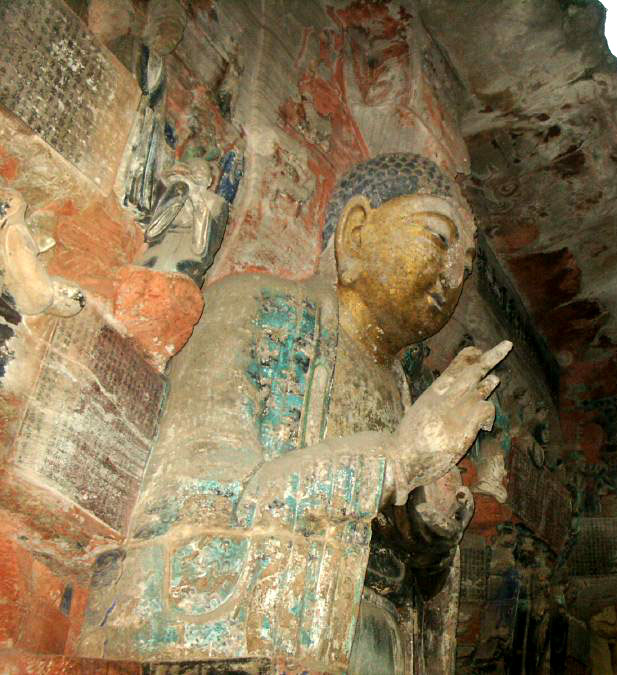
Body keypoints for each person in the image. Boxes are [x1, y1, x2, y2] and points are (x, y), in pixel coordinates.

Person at [79, 153, 511, 672]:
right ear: (355, 231)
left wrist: (431, 531)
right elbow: (189, 510)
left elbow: (409, 586)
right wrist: (397, 461)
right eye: (438, 240)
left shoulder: (405, 392)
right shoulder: (255, 311)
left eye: (465, 270)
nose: (451, 277)